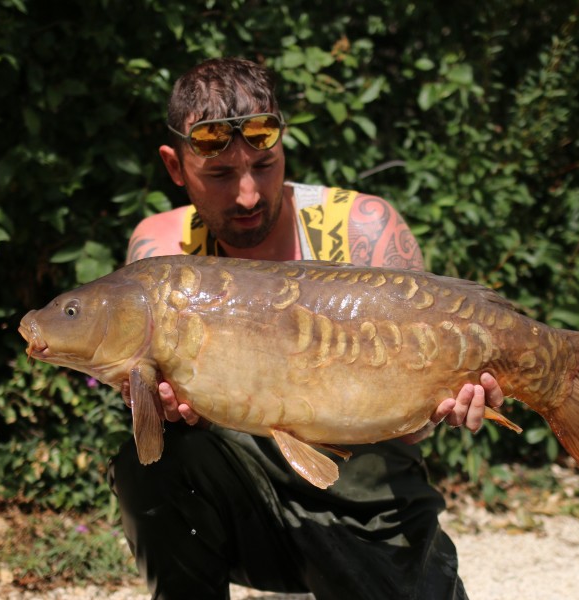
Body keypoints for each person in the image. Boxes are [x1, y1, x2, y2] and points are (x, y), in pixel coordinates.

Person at [108, 57, 505, 600]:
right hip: (245, 502)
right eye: (221, 175)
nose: (248, 194)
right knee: (149, 464)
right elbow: (165, 422)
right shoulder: (161, 253)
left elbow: (413, 431)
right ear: (176, 167)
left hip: (369, 499)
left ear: (284, 148)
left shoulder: (364, 229)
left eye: (265, 166)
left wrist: (445, 407)